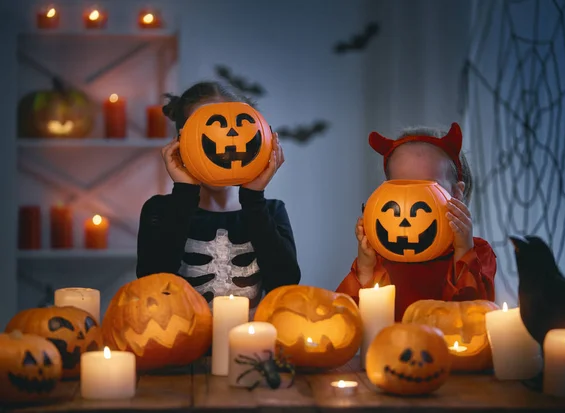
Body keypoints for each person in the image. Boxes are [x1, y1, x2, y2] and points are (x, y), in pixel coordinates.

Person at [136, 81, 301, 311]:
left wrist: (254, 198)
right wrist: (184, 194)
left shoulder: (269, 211)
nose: (228, 143)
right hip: (181, 344)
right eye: (211, 131)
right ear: (181, 142)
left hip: (250, 343)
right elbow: (150, 284)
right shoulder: (160, 210)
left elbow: (285, 284)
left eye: (237, 129)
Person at [336, 122, 496, 321]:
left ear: (456, 194)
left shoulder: (478, 252)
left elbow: (477, 316)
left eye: (427, 187)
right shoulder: (380, 255)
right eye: (401, 187)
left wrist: (463, 252)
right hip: (390, 349)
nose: (411, 200)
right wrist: (366, 268)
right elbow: (347, 317)